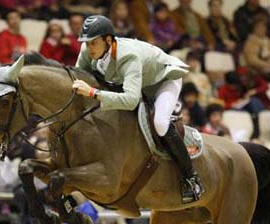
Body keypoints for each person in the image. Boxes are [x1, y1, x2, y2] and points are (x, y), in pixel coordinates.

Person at [72, 15, 203, 203]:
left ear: (108, 40)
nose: (89, 47)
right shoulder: (88, 50)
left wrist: (93, 92)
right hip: (137, 82)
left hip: (163, 81)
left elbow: (131, 101)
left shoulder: (128, 56)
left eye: (93, 42)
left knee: (159, 123)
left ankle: (191, 177)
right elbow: (78, 79)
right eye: (86, 42)